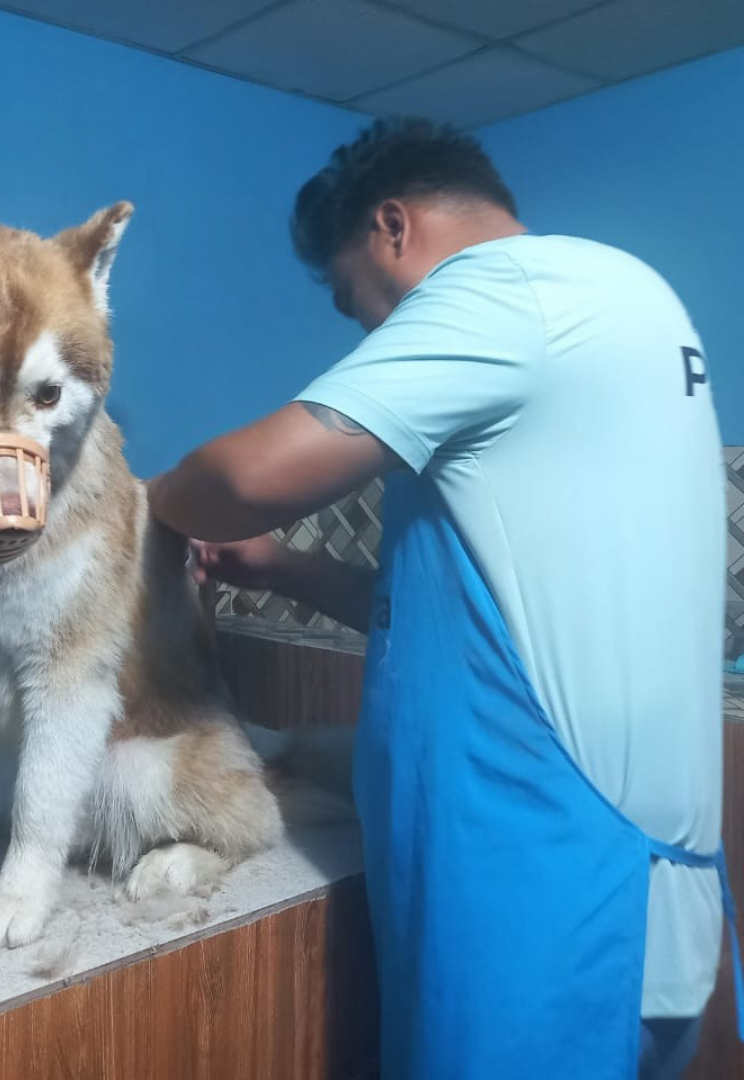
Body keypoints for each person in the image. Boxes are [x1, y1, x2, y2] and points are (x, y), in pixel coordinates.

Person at [147, 117, 739, 1079]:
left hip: (539, 892)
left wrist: (142, 505)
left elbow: (248, 478)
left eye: (357, 304)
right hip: (631, 883)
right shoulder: (622, 301)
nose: (375, 332)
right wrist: (282, 568)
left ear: (393, 227)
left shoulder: (504, 293)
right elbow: (474, 619)